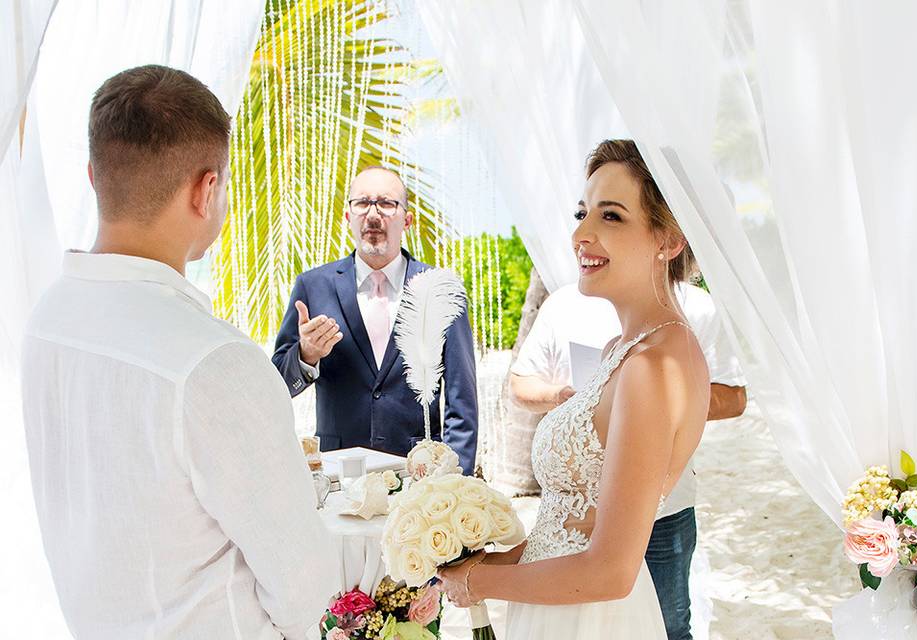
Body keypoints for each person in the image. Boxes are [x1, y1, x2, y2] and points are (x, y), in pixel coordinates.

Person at [20, 65, 333, 640]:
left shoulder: (45, 321)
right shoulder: (215, 360)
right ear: (206, 190)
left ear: (95, 176)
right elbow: (307, 589)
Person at [438, 139, 711, 639]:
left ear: (668, 240)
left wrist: (479, 582)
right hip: (559, 608)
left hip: (592, 622)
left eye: (611, 217)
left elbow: (610, 570)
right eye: (583, 213)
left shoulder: (651, 366)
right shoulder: (621, 350)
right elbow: (570, 524)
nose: (581, 234)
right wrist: (493, 560)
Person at [509, 282, 747, 639]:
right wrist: (565, 398)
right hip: (570, 524)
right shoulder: (562, 304)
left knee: (669, 624)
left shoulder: (691, 316)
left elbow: (735, 397)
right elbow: (520, 381)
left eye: (613, 220)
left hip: (663, 513)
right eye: (580, 220)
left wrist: (653, 408)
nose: (583, 236)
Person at [271, 166, 479, 473]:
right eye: (362, 203)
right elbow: (277, 382)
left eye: (386, 203)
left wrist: (452, 480)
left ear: (407, 220)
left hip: (418, 474)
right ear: (348, 217)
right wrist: (305, 356)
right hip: (340, 471)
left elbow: (462, 402)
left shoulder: (440, 289)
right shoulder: (312, 286)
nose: (373, 214)